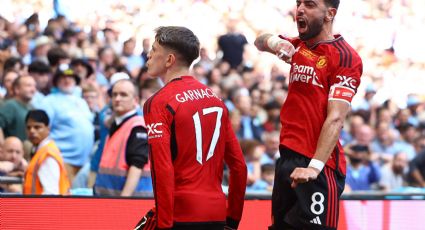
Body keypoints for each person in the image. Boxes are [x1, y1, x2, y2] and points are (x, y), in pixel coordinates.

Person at [254, 0, 363, 229]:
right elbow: (259, 40)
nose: (300, 9)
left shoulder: (345, 57)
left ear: (329, 14)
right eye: (298, 3)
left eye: (310, 4)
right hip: (287, 160)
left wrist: (314, 167)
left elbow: (336, 118)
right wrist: (275, 43)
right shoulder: (297, 46)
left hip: (318, 166)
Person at [142, 26, 247, 230]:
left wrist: (164, 225)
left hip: (180, 215)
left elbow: (161, 168)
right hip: (216, 213)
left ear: (169, 60)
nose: (148, 54)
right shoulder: (217, 100)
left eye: (154, 50)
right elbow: (239, 167)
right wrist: (233, 220)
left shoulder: (158, 102)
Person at [94, 79, 151, 196]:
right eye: (114, 94)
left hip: (129, 203)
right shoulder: (116, 124)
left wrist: (124, 200)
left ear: (135, 100)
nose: (117, 99)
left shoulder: (137, 126)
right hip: (108, 199)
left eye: (123, 95)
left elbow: (136, 166)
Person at [38, 65, 94, 183]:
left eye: (70, 77)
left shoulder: (81, 101)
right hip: (62, 161)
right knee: (62, 199)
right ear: (56, 81)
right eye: (62, 77)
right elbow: (40, 130)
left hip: (85, 163)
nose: (67, 80)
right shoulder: (49, 101)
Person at [23, 109, 70, 195]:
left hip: (45, 207)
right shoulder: (40, 150)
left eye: (37, 127)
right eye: (28, 127)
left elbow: (51, 194)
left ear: (48, 129)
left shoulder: (48, 155)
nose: (32, 131)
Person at [0, 75, 36, 144]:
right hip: (12, 152)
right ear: (17, 89)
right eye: (29, 85)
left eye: (34, 86)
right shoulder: (10, 105)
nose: (33, 89)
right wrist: (2, 146)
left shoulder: (32, 107)